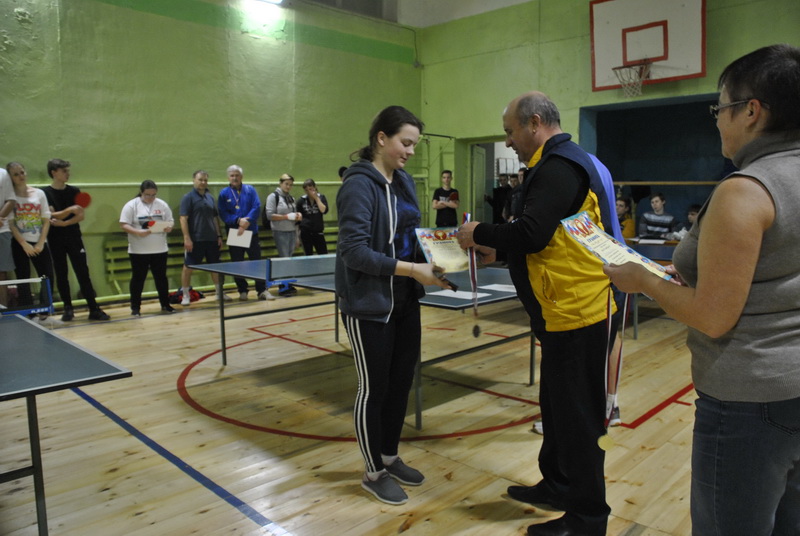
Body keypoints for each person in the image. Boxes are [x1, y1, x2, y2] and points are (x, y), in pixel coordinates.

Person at [604, 44, 800, 536]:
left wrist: (644, 281)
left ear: (751, 111)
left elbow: (714, 317)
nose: (717, 122)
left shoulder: (745, 190)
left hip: (749, 398)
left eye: (720, 108)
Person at [457, 92, 615, 536]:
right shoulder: (555, 163)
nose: (508, 141)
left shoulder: (559, 166)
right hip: (560, 312)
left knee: (578, 421)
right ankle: (558, 486)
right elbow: (552, 239)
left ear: (535, 122)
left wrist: (478, 232)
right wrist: (499, 251)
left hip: (578, 313)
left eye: (510, 131)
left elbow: (531, 233)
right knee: (557, 409)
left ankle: (587, 520)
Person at [336, 105, 451, 506]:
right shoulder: (358, 185)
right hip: (368, 303)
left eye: (415, 144)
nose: (411, 152)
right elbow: (354, 252)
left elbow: (410, 232)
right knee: (375, 387)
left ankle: (388, 456)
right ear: (381, 138)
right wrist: (413, 269)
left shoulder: (402, 180)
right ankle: (373, 472)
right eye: (406, 143)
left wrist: (441, 255)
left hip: (404, 297)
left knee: (401, 381)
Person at [42, 159, 110, 322]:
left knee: (83, 272)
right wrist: (70, 210)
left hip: (74, 238)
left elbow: (80, 215)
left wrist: (64, 222)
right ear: (54, 173)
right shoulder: (45, 193)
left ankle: (94, 309)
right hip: (55, 239)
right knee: (61, 273)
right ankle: (68, 309)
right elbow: (51, 215)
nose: (68, 173)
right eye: (64, 171)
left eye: (68, 170)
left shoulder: (74, 191)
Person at [119, 180, 175, 316]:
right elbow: (124, 224)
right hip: (138, 250)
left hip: (160, 249)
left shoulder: (162, 204)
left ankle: (165, 304)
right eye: (147, 195)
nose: (150, 198)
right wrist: (137, 232)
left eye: (153, 195)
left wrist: (169, 227)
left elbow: (170, 221)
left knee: (161, 278)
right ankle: (135, 308)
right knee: (138, 279)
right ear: (141, 192)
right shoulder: (131, 205)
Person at [8, 162, 55, 317]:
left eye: (22, 172)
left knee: (47, 276)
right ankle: (29, 313)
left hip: (39, 241)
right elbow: (11, 223)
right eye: (16, 174)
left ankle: (45, 311)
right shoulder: (10, 197)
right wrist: (23, 243)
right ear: (11, 178)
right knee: (23, 278)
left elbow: (46, 220)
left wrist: (41, 242)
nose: (20, 176)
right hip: (19, 243)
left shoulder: (39, 193)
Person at [178, 170, 229, 306]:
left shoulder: (210, 197)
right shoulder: (188, 197)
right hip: (196, 239)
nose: (203, 182)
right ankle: (185, 295)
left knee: (215, 266)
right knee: (188, 267)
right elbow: (183, 218)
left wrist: (218, 235)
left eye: (205, 180)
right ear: (194, 180)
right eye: (200, 180)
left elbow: (214, 218)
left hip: (211, 239)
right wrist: (187, 238)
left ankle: (219, 293)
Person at [218, 165, 268, 301]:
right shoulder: (224, 193)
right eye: (232, 175)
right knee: (237, 264)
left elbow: (256, 207)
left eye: (237, 175)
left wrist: (247, 221)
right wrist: (238, 220)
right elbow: (223, 213)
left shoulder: (250, 190)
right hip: (236, 233)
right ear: (228, 177)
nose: (234, 178)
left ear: (242, 177)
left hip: (251, 232)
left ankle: (262, 290)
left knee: (257, 262)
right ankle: (242, 290)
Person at [297, 178, 329, 255]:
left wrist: (316, 198)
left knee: (323, 254)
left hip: (318, 231)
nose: (309, 192)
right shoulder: (301, 200)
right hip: (305, 232)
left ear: (315, 187)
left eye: (311, 189)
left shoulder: (321, 197)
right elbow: (298, 219)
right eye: (306, 190)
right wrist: (297, 235)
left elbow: (324, 210)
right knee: (308, 255)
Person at [0, 165, 16, 307]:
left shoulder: (3, 174)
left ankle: (3, 310)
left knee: (1, 272)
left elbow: (10, 200)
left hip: (2, 230)